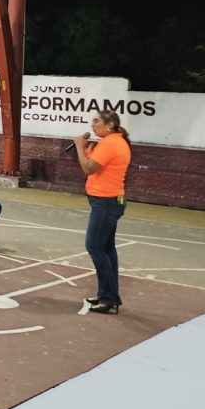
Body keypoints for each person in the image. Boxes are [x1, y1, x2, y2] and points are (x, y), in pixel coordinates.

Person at [74, 110, 131, 315]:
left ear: (110, 125)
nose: (92, 124)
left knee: (95, 247)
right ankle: (108, 295)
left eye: (96, 121)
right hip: (111, 200)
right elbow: (97, 167)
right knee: (106, 248)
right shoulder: (115, 142)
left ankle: (108, 298)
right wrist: (88, 153)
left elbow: (88, 168)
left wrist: (80, 147)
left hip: (106, 202)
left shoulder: (111, 143)